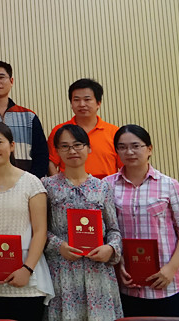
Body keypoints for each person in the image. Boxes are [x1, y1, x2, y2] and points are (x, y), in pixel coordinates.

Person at [105, 124, 179, 317]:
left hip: (168, 284)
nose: (129, 152)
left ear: (149, 149)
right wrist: (117, 264)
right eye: (122, 147)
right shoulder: (107, 186)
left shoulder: (170, 186)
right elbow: (105, 230)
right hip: (126, 284)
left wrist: (171, 269)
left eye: (136, 146)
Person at [0, 122, 54, 321]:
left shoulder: (32, 182)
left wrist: (27, 269)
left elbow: (40, 231)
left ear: (12, 145)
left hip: (27, 279)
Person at [42, 124, 124, 321]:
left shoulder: (102, 187)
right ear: (57, 151)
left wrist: (110, 249)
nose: (72, 151)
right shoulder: (47, 186)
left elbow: (113, 229)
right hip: (62, 270)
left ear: (89, 148)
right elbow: (40, 230)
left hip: (98, 272)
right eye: (65, 146)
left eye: (78, 145)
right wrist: (59, 246)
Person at [47, 79, 120, 179]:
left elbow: (125, 165)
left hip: (106, 186)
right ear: (71, 103)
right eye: (76, 100)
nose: (82, 104)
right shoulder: (60, 131)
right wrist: (58, 185)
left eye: (87, 99)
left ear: (98, 103)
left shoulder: (114, 132)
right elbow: (51, 162)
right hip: (70, 186)